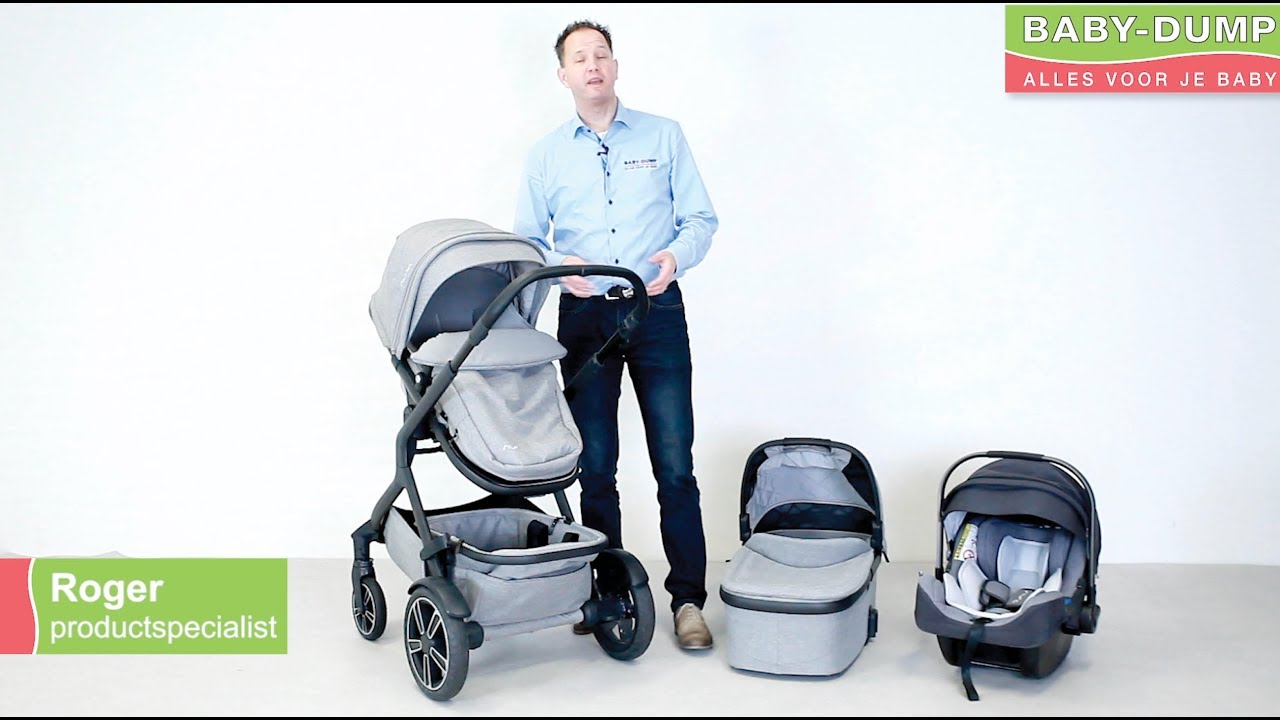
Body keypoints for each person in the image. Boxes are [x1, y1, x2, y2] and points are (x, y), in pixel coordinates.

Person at [513, 19, 718, 651]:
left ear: (616, 66)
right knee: (596, 467)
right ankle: (609, 595)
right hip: (584, 321)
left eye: (601, 54)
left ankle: (687, 602)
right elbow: (527, 241)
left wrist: (676, 258)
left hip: (655, 312)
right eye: (580, 57)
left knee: (675, 466)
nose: (593, 65)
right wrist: (559, 269)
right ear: (564, 75)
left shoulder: (664, 134)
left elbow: (700, 218)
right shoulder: (546, 154)